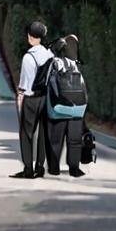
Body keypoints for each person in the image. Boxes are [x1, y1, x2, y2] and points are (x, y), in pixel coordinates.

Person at [11, 20, 51, 179]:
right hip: (46, 98)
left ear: (30, 37)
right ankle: (40, 167)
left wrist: (20, 97)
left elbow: (25, 83)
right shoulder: (49, 54)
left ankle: (28, 168)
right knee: (43, 133)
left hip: (32, 99)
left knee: (26, 133)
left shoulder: (29, 57)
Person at [45, 35, 86, 178]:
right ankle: (74, 168)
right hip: (76, 108)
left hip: (58, 108)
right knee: (74, 140)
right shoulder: (75, 64)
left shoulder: (53, 62)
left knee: (55, 140)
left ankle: (54, 168)